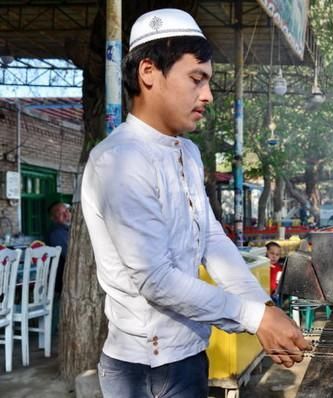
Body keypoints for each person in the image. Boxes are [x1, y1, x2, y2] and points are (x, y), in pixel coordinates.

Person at [81, 9, 308, 398]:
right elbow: (156, 281)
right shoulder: (119, 161)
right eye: (196, 79)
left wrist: (264, 306)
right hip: (144, 370)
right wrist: (254, 318)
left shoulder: (186, 152)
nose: (207, 95)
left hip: (190, 355)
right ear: (149, 73)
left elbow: (211, 241)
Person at [46, 201, 71, 295]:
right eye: (60, 213)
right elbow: (70, 255)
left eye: (67, 211)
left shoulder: (68, 230)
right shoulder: (57, 232)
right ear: (53, 218)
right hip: (62, 286)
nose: (66, 215)